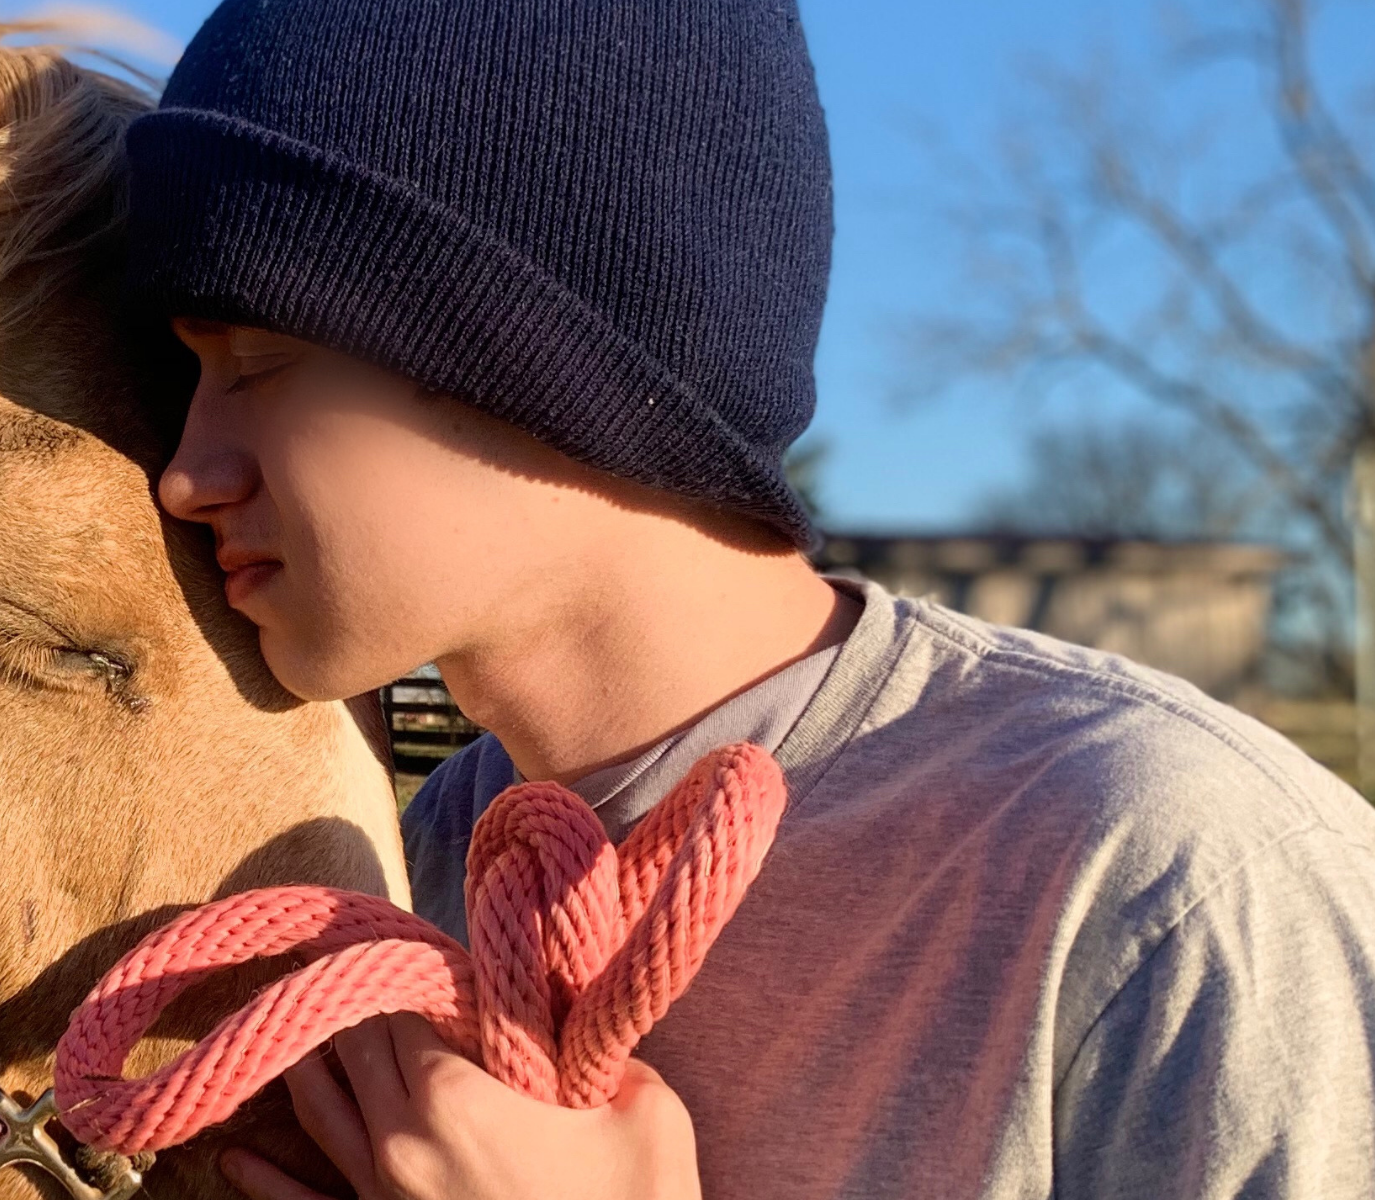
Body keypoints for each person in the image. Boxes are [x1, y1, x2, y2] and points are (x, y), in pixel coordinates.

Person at [130, 1, 1375, 1198]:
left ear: (536, 357)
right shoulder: (406, 874)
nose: (186, 474)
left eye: (259, 364)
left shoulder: (1172, 878)